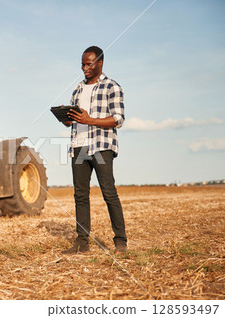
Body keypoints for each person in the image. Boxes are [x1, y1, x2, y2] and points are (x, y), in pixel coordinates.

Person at [62, 46, 127, 255]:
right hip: (79, 146)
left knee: (109, 193)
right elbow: (73, 121)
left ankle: (120, 242)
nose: (84, 68)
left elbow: (118, 119)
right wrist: (66, 118)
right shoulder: (78, 89)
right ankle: (82, 242)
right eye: (82, 64)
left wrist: (90, 120)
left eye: (89, 63)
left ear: (100, 63)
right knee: (80, 196)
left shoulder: (112, 87)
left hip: (101, 146)